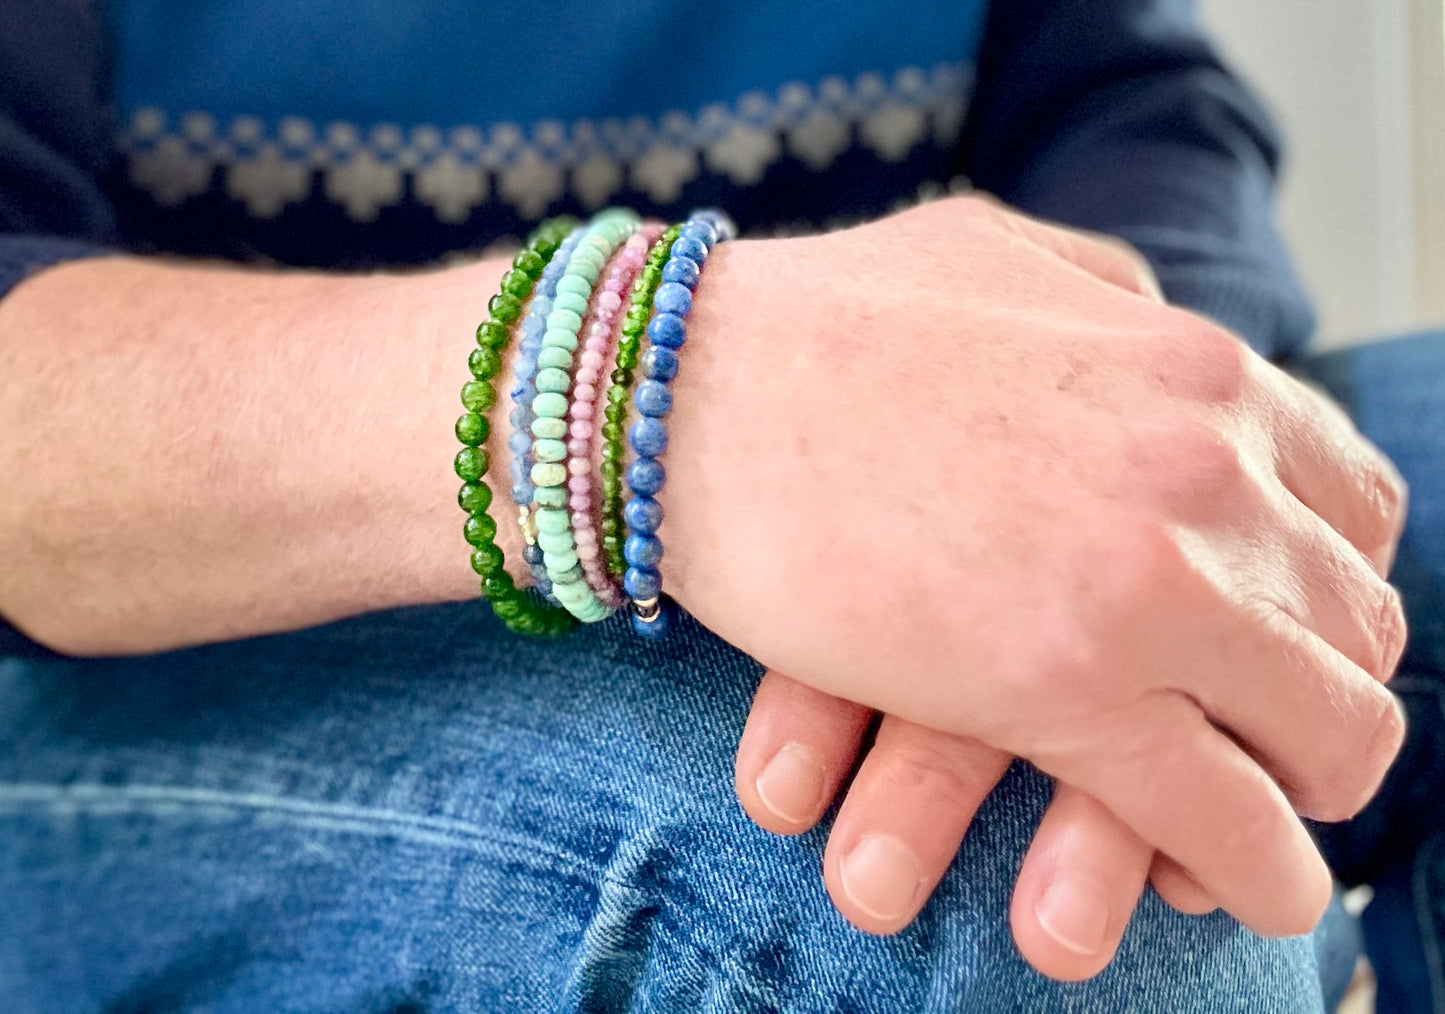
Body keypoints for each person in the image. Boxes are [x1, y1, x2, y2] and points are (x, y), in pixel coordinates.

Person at [0, 0, 1435, 1009]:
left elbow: (1131, 107)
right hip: (143, 637)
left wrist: (1071, 476)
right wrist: (667, 401)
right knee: (1010, 911)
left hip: (828, 502)